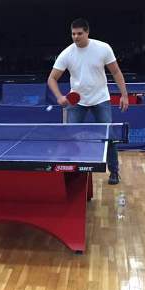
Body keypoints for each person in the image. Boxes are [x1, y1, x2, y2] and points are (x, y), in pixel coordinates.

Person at [47, 18, 129, 185]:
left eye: (79, 33)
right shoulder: (67, 53)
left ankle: (114, 172)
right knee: (71, 138)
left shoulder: (103, 48)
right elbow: (52, 78)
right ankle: (72, 171)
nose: (76, 37)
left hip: (101, 98)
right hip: (77, 102)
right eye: (73, 34)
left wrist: (124, 95)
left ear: (87, 33)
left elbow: (116, 72)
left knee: (109, 137)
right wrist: (59, 96)